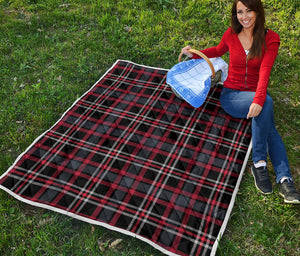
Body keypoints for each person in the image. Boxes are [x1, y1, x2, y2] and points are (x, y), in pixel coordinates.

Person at [181, 0, 300, 204]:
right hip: (232, 96)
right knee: (267, 107)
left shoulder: (271, 39)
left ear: (258, 11)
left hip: (255, 93)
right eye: (240, 12)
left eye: (249, 11)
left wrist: (258, 99)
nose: (244, 16)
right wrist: (194, 55)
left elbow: (265, 71)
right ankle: (264, 165)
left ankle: (282, 177)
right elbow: (218, 50)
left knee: (267, 116)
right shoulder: (231, 34)